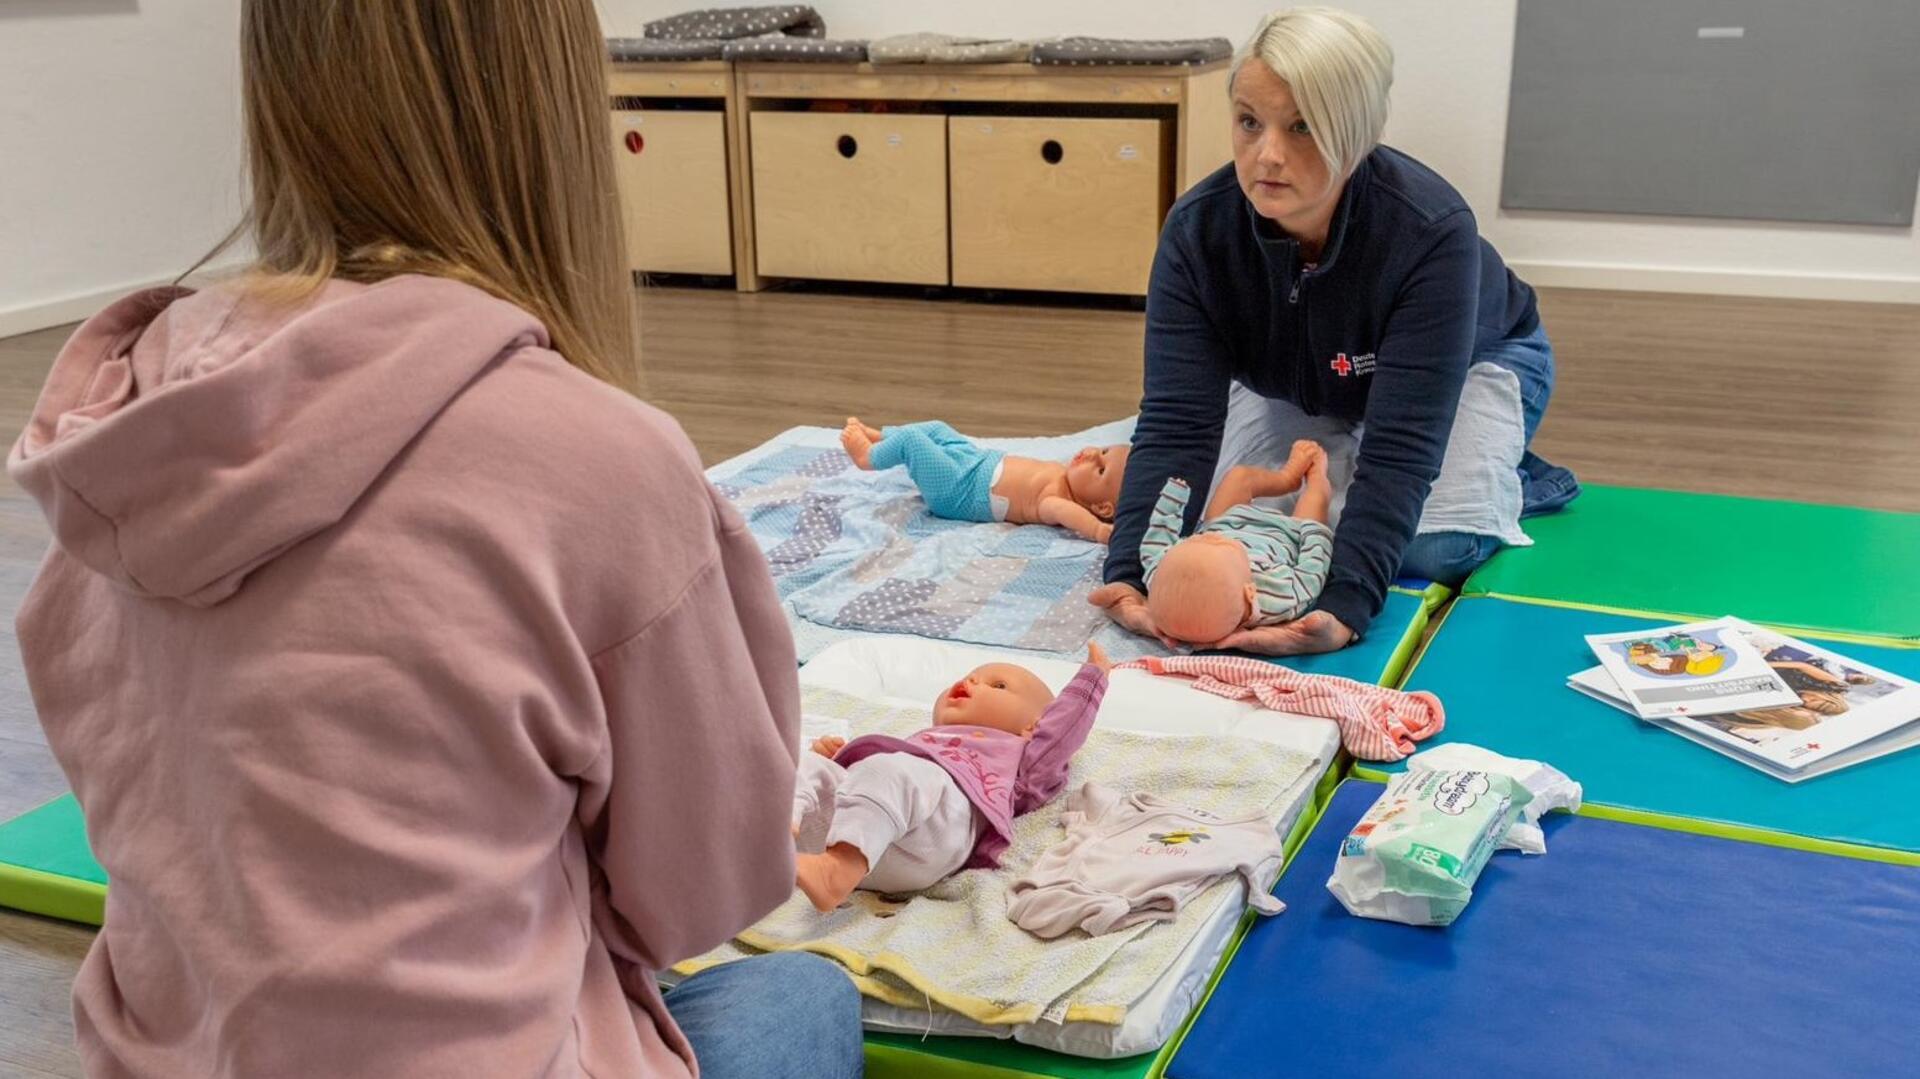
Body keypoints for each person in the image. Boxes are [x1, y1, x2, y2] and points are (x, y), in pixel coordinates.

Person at [7, 3, 861, 1076]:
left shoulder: (114, 438)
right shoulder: (602, 464)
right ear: (554, 115)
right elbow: (700, 895)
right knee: (801, 996)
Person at [1095, 7, 1578, 657]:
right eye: (1248, 121)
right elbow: (1179, 422)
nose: (1267, 154)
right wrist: (1130, 571)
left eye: (1301, 127)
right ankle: (1352, 448)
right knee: (1226, 519)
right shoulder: (1196, 234)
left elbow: (1404, 445)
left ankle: (1516, 478)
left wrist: (1348, 601)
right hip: (1310, 382)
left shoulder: (1430, 232)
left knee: (1428, 544)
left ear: (1353, 130)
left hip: (1481, 361)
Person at [841, 417, 1130, 542]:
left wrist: (1098, 532)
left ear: (1102, 507)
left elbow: (1072, 517)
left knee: (914, 441)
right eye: (1102, 451)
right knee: (938, 429)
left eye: (1100, 469)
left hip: (958, 491)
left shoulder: (1055, 501)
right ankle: (883, 439)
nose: (1091, 454)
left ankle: (869, 458)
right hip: (973, 460)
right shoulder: (1063, 475)